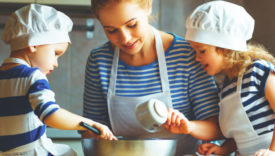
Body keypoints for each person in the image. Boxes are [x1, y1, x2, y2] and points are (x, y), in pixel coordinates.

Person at [82, 0, 220, 155]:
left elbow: (217, 127)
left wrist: (189, 126)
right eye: (111, 30)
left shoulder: (187, 55)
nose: (125, 38)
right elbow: (91, 129)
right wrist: (96, 135)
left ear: (148, 6)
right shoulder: (99, 60)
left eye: (132, 25)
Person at [0, 4, 116, 156]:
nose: (56, 63)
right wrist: (90, 124)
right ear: (33, 44)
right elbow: (50, 114)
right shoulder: (33, 76)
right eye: (55, 53)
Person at [162, 1, 275, 156]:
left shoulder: (258, 71)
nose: (197, 58)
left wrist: (272, 151)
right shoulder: (226, 87)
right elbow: (243, 134)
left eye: (201, 51)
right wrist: (224, 149)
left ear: (225, 48)